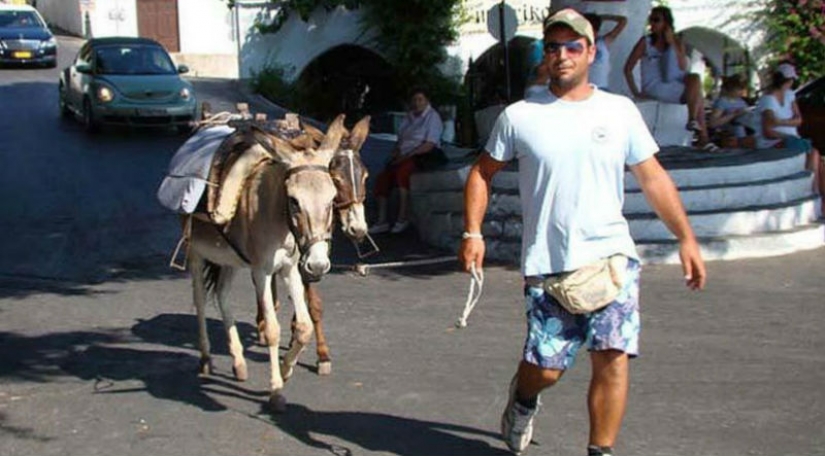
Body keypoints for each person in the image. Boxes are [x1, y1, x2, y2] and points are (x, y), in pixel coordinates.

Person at [459, 8, 706, 456]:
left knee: (612, 358)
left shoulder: (618, 111)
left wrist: (685, 237)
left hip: (612, 258)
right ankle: (524, 397)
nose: (562, 55)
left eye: (573, 46)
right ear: (545, 57)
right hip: (547, 265)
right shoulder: (519, 116)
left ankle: (600, 450)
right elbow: (481, 173)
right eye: (552, 47)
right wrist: (472, 233)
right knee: (547, 369)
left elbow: (652, 177)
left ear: (592, 52)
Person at [623, 6, 718, 151]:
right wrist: (636, 91)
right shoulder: (646, 42)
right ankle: (702, 135)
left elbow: (682, 67)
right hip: (655, 86)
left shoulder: (676, 42)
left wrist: (672, 43)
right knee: (697, 93)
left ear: (666, 23)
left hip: (673, 82)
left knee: (695, 79)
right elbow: (628, 68)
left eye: (656, 20)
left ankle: (694, 123)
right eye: (651, 20)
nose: (652, 24)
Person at [369, 88, 443, 234]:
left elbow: (429, 144)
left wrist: (407, 155)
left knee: (403, 174)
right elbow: (400, 141)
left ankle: (402, 218)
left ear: (427, 101)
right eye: (414, 100)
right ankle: (382, 221)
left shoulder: (432, 117)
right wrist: (395, 155)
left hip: (421, 155)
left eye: (420, 99)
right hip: (403, 154)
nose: (417, 103)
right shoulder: (408, 118)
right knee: (382, 179)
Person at [754, 62, 825, 205]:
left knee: (818, 159)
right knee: (813, 153)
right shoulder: (768, 100)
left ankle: (819, 195)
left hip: (790, 138)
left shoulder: (790, 95)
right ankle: (814, 193)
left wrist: (780, 122)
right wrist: (788, 129)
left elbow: (798, 120)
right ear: (788, 80)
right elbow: (768, 132)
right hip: (773, 142)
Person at [583, 12, 628, 90]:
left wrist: (603, 17)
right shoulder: (576, 45)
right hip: (583, 88)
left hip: (601, 88)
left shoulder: (603, 42)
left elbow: (623, 21)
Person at [708, 74, 754, 149]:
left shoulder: (742, 102)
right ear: (732, 88)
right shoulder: (722, 102)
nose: (741, 91)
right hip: (729, 133)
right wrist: (733, 115)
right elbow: (713, 123)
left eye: (742, 88)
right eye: (739, 88)